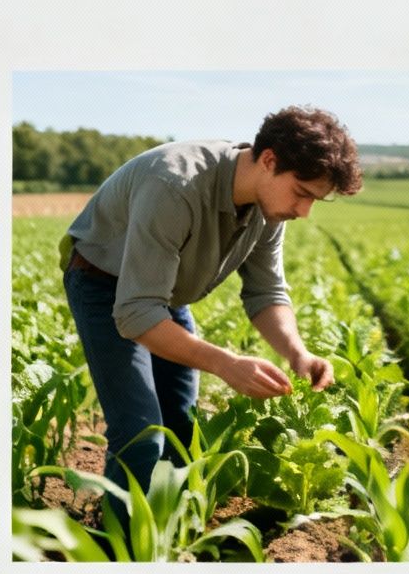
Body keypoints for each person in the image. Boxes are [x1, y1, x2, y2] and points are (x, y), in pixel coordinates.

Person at [61, 105, 360, 509]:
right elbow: (136, 311)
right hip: (105, 285)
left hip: (161, 298)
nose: (303, 211)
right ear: (269, 160)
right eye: (302, 194)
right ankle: (121, 544)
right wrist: (226, 363)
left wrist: (297, 353)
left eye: (314, 201)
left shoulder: (269, 205)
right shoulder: (175, 185)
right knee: (141, 431)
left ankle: (166, 525)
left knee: (183, 423)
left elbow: (266, 291)